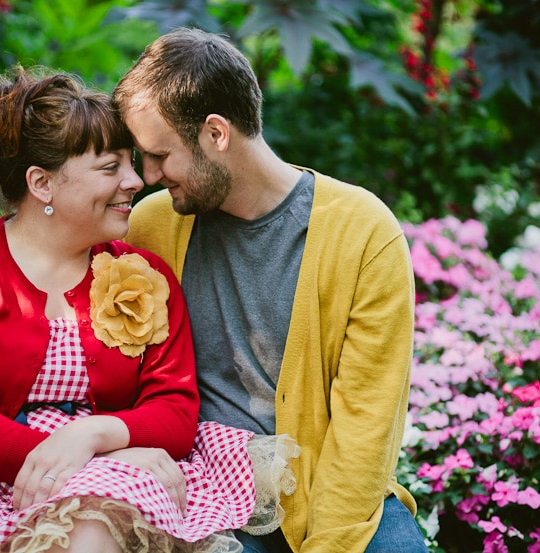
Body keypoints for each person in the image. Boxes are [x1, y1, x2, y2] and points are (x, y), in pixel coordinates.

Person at [0, 66, 298, 553]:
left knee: (94, 525)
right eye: (110, 167)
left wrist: (92, 436)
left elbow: (175, 411)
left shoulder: (143, 274)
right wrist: (95, 460)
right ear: (41, 184)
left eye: (131, 163)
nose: (137, 180)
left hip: (114, 486)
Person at [114, 28, 428, 553]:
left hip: (328, 489)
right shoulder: (151, 227)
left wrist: (327, 543)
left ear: (216, 133)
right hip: (205, 493)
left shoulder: (363, 234)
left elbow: (364, 430)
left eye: (159, 155)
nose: (146, 175)